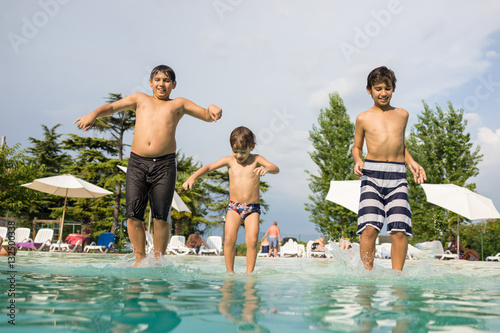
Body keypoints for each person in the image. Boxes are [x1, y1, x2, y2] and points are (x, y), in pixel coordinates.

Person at [74, 65, 222, 266]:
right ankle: (139, 259)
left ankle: (159, 260)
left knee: (161, 215)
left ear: (174, 85)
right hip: (137, 162)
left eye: (167, 80)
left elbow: (205, 115)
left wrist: (212, 107)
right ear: (151, 82)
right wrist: (93, 114)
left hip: (165, 165)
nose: (162, 84)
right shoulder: (140, 99)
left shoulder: (178, 104)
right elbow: (111, 108)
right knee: (133, 214)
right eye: (158, 80)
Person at [353, 66, 427, 272]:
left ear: (393, 89)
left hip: (397, 176)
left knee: (399, 230)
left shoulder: (402, 115)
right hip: (372, 177)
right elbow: (357, 147)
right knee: (369, 228)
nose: (383, 93)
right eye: (378, 88)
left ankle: (397, 277)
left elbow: (400, 145)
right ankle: (366, 274)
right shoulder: (363, 118)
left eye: (388, 88)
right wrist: (358, 160)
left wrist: (411, 162)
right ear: (369, 90)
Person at [183, 126, 279, 273]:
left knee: (252, 241)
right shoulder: (229, 161)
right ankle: (230, 272)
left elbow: (275, 167)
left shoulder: (256, 159)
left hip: (252, 208)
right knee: (228, 240)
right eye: (235, 151)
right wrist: (193, 176)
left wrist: (267, 169)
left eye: (243, 151)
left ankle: (249, 274)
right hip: (234, 207)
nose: (239, 156)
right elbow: (209, 167)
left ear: (251, 147)